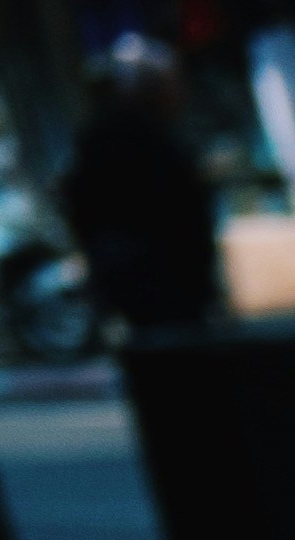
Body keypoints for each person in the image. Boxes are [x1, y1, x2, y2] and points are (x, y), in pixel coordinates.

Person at [61, 40, 233, 337]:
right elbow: (182, 216)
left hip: (143, 282)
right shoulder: (142, 141)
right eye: (169, 85)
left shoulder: (109, 138)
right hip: (161, 280)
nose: (178, 93)